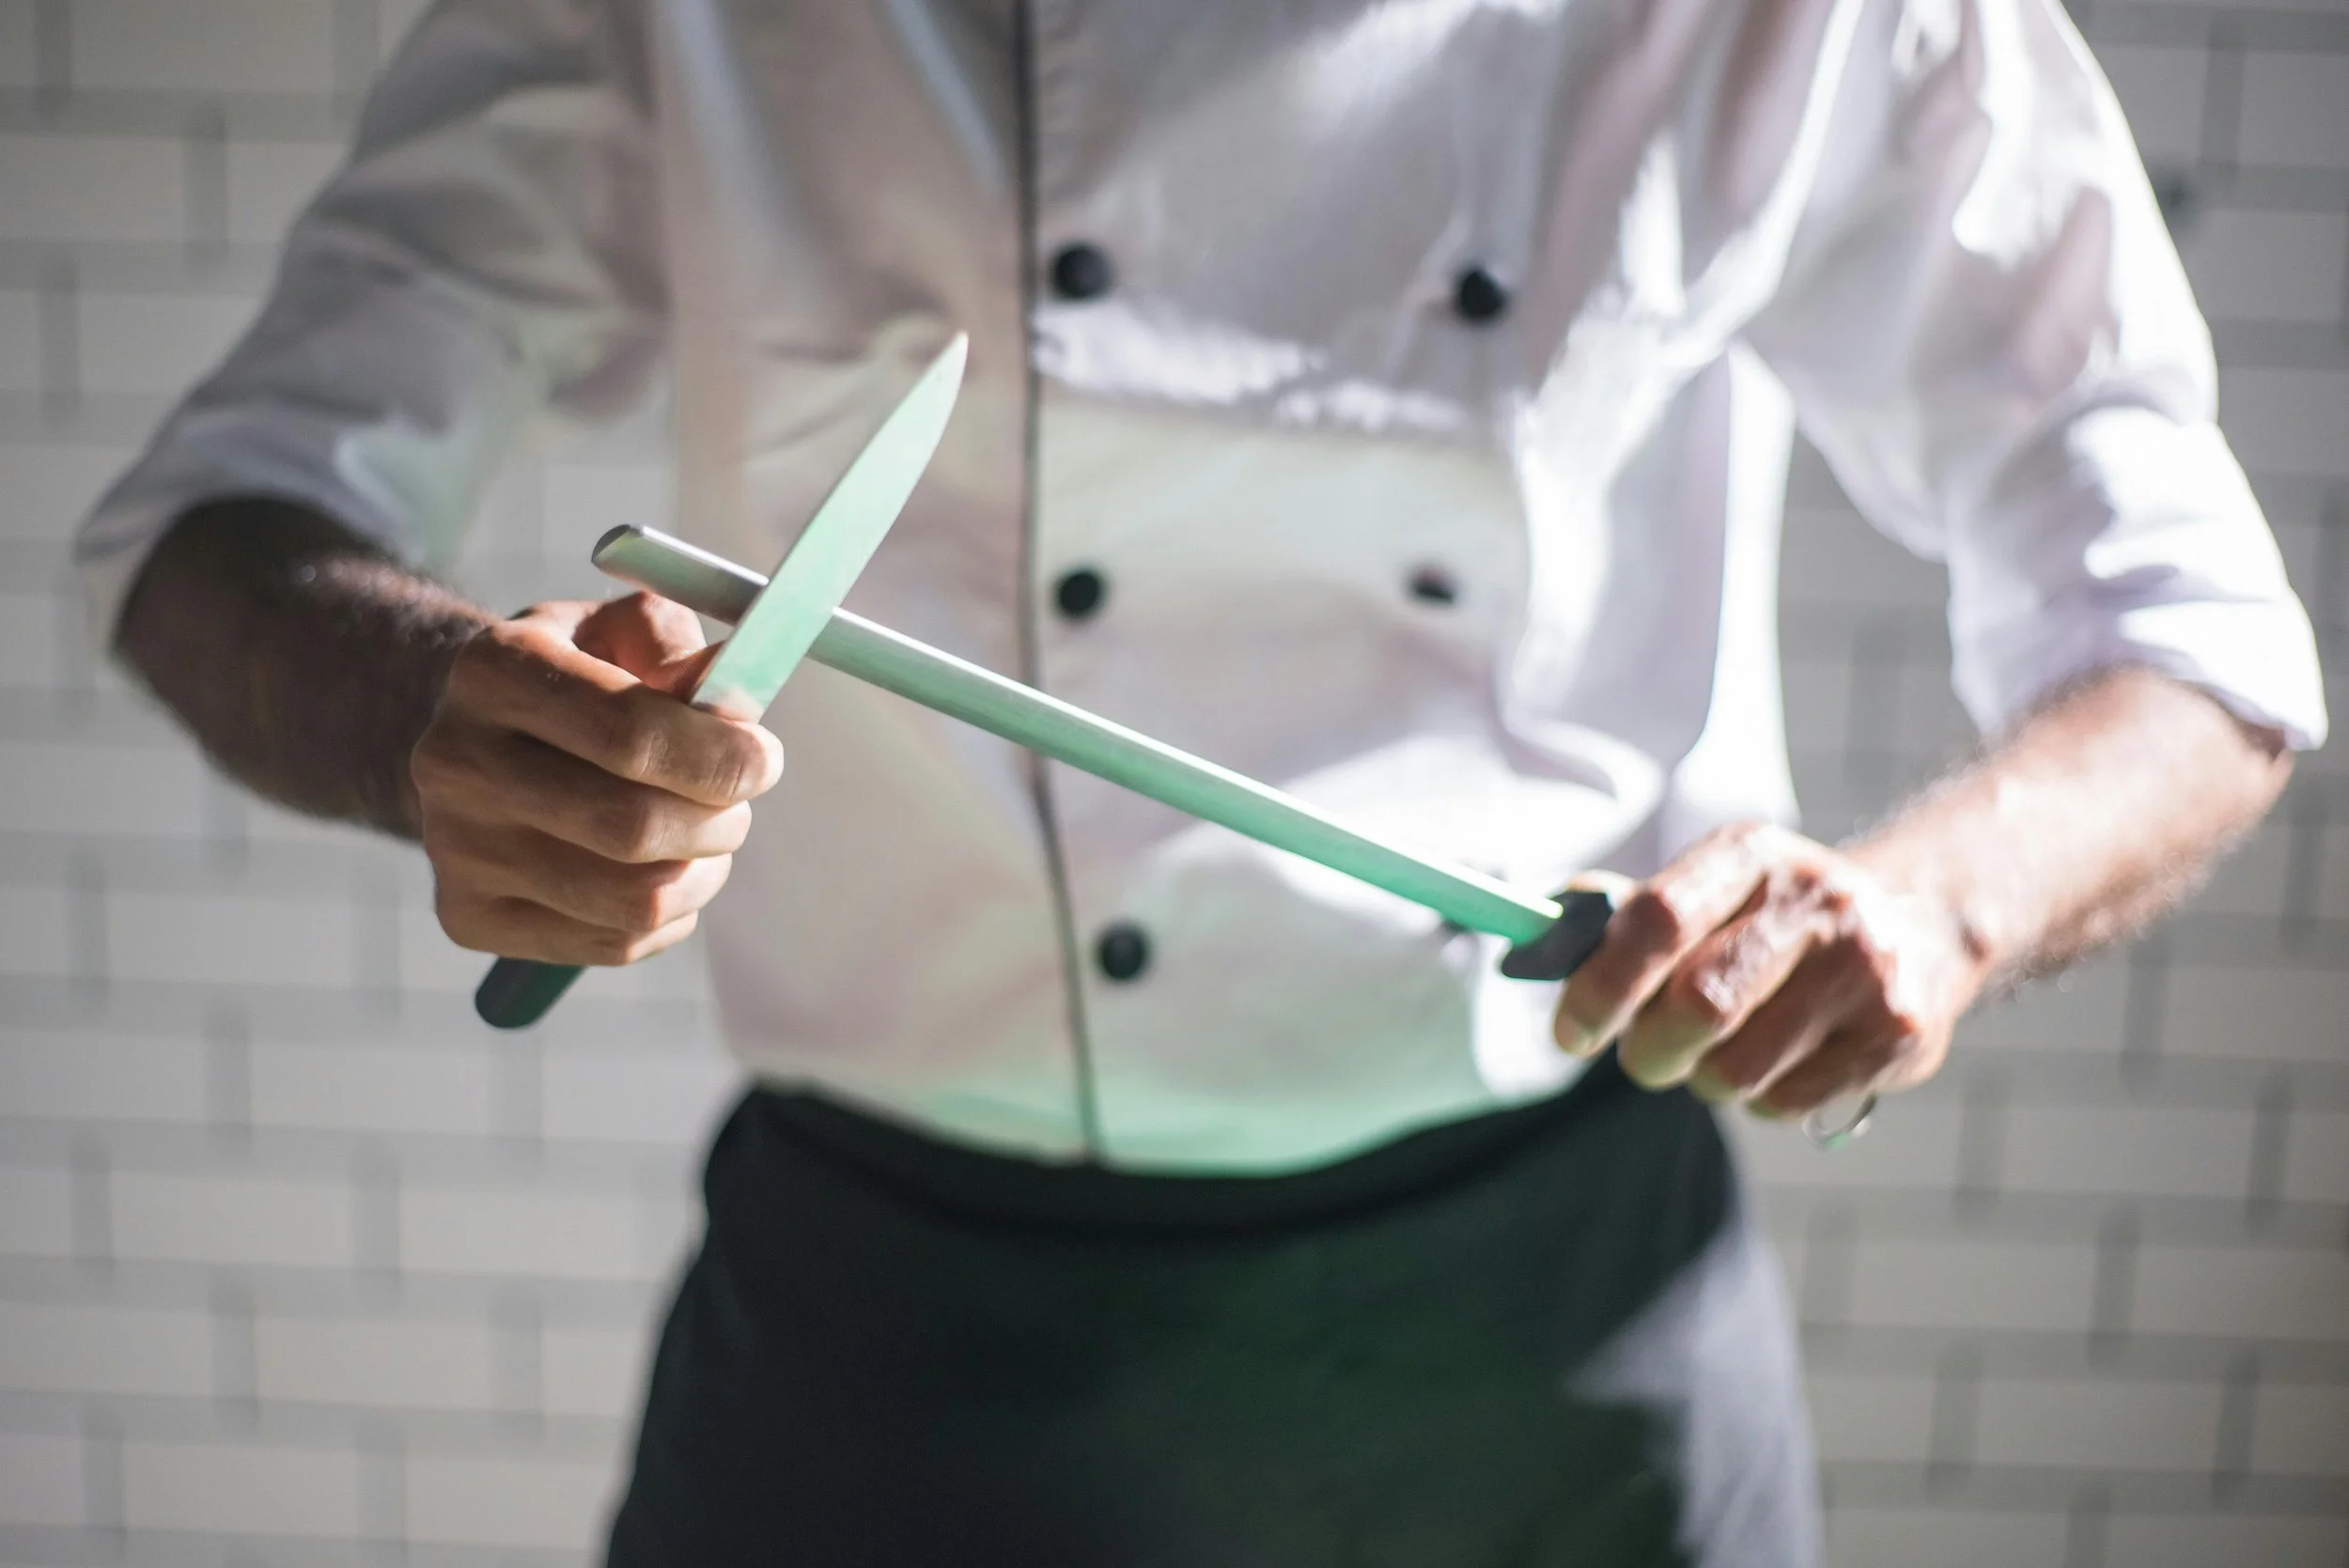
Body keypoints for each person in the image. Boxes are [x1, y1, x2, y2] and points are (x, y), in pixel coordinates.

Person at [82, 0, 2325, 1562]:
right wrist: (444, 724)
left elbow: (2190, 634)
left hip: (1547, 1343)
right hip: (882, 1338)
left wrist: (1930, 904)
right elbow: (213, 532)